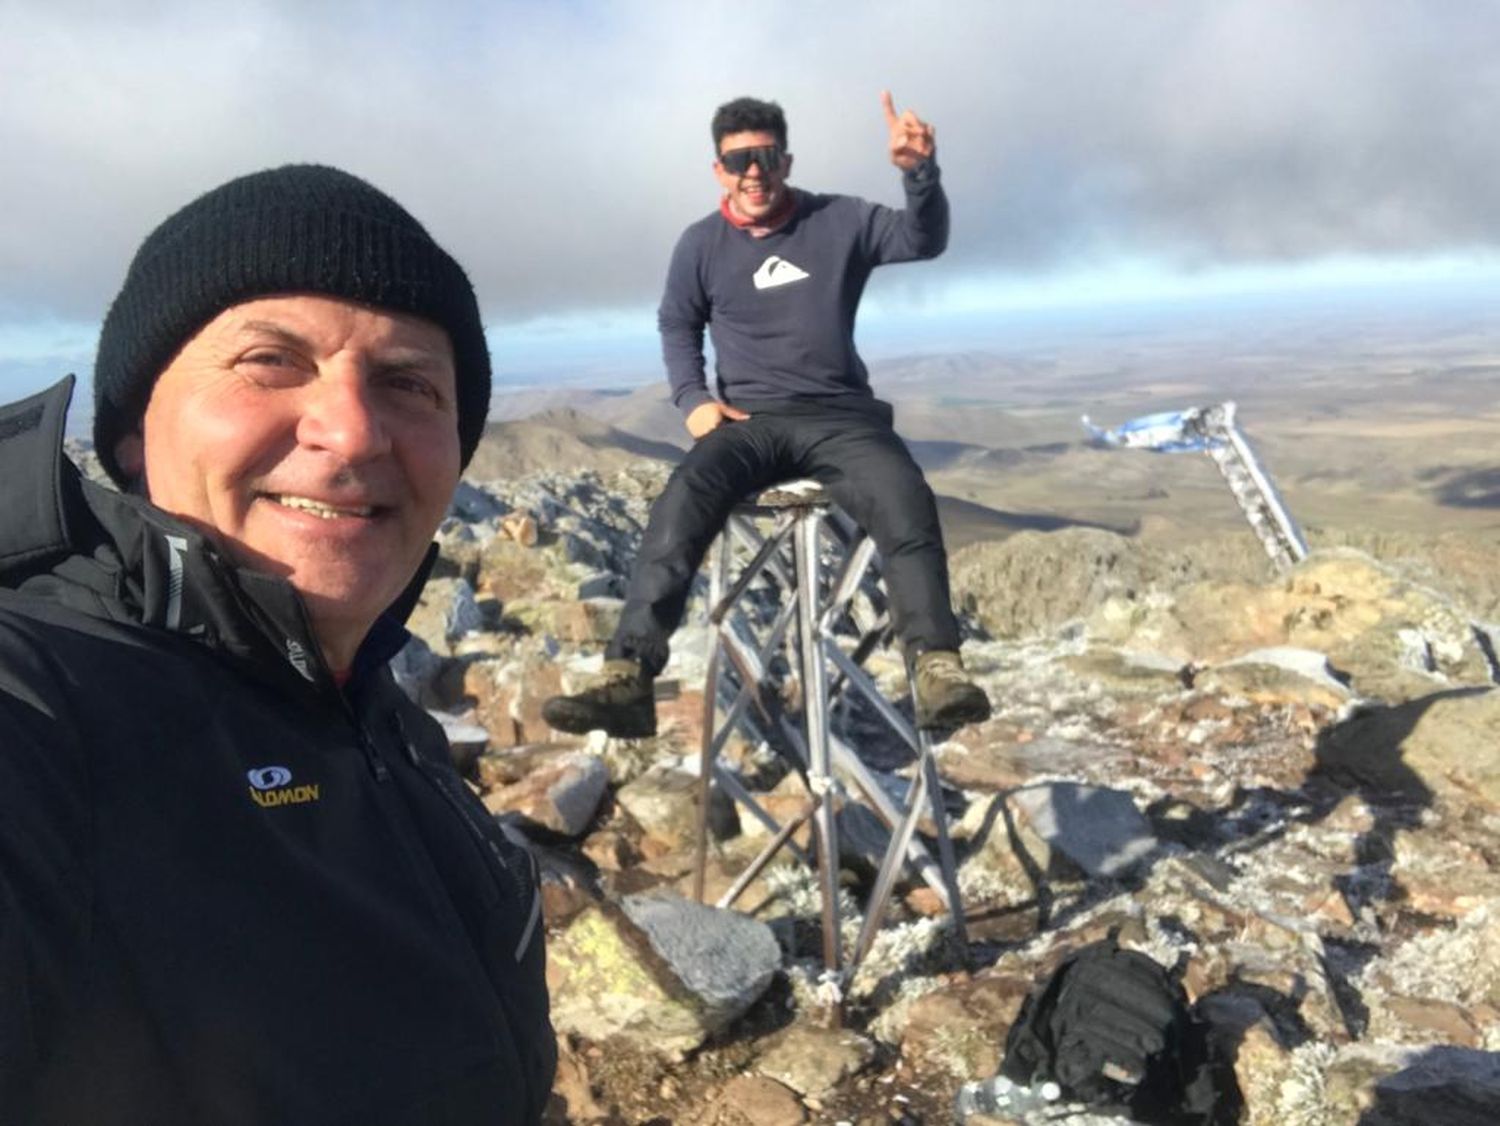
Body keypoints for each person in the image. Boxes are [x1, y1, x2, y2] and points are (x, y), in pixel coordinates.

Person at [0, 165, 555, 1124]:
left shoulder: (374, 717)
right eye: (270, 361)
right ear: (133, 434)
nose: (350, 431)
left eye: (408, 382)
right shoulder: (44, 702)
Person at [543, 93, 991, 739]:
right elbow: (677, 322)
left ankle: (936, 668)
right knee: (682, 503)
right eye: (739, 160)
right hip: (748, 422)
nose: (754, 171)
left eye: (766, 157)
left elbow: (923, 239)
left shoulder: (839, 218)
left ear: (786, 159)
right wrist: (693, 400)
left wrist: (919, 172)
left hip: (844, 416)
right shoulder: (700, 243)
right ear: (719, 169)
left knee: (904, 502)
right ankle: (628, 677)